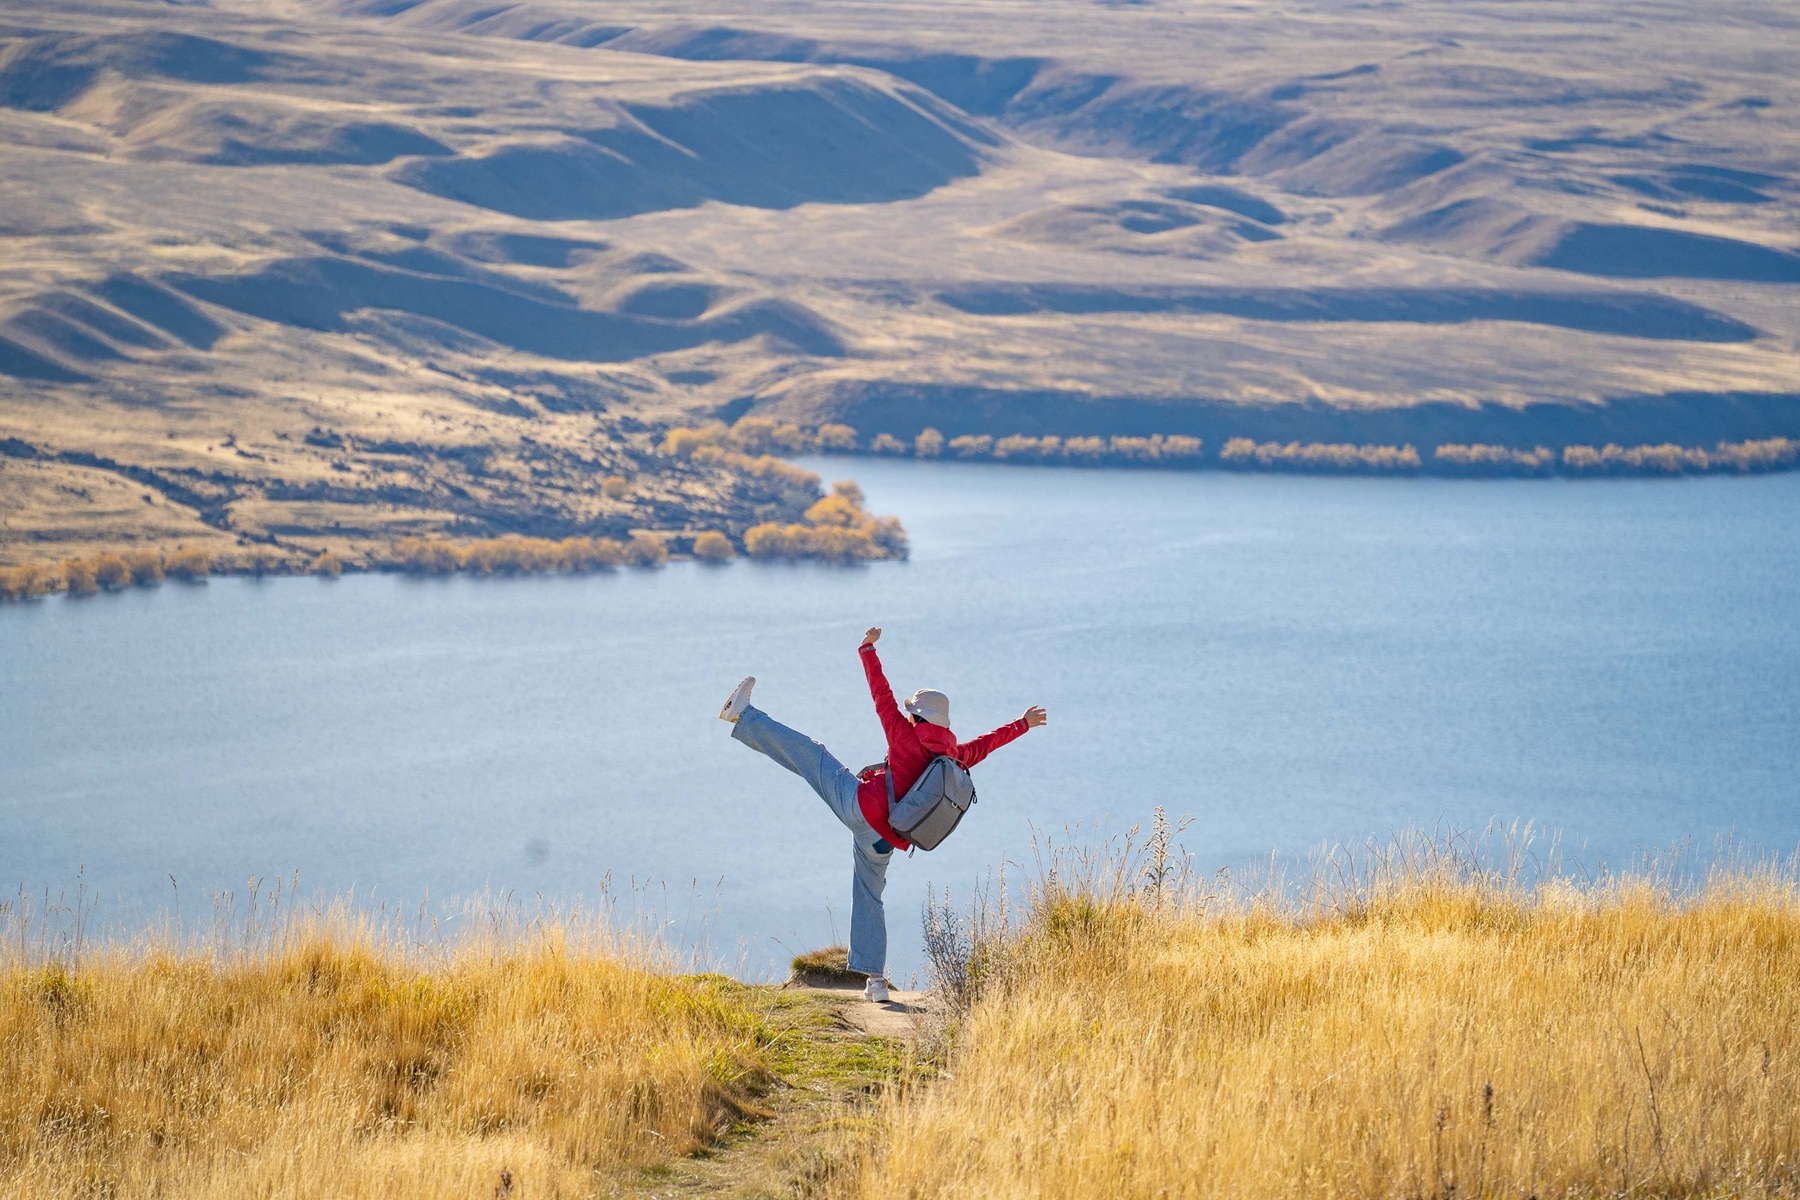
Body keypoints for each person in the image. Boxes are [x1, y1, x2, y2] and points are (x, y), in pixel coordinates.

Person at [720, 626, 1048, 1003]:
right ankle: (875, 982)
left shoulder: (904, 735)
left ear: (917, 718)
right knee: (870, 895)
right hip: (888, 837)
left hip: (858, 806)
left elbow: (881, 694)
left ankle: (743, 716)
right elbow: (988, 744)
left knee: (812, 756)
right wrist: (1023, 723)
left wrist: (866, 650)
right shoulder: (954, 755)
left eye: (911, 714)